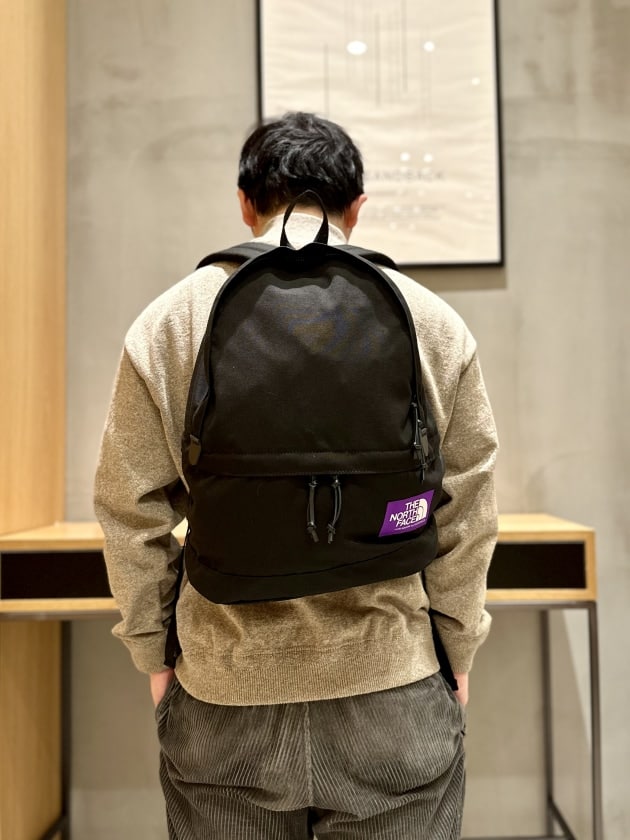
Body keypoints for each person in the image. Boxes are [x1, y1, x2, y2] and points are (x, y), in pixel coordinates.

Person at [94, 111, 498, 840]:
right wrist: (456, 648)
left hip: (223, 695)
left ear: (245, 203)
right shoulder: (431, 321)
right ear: (357, 208)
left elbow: (128, 507)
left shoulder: (170, 323)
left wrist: (154, 654)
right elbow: (466, 511)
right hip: (391, 690)